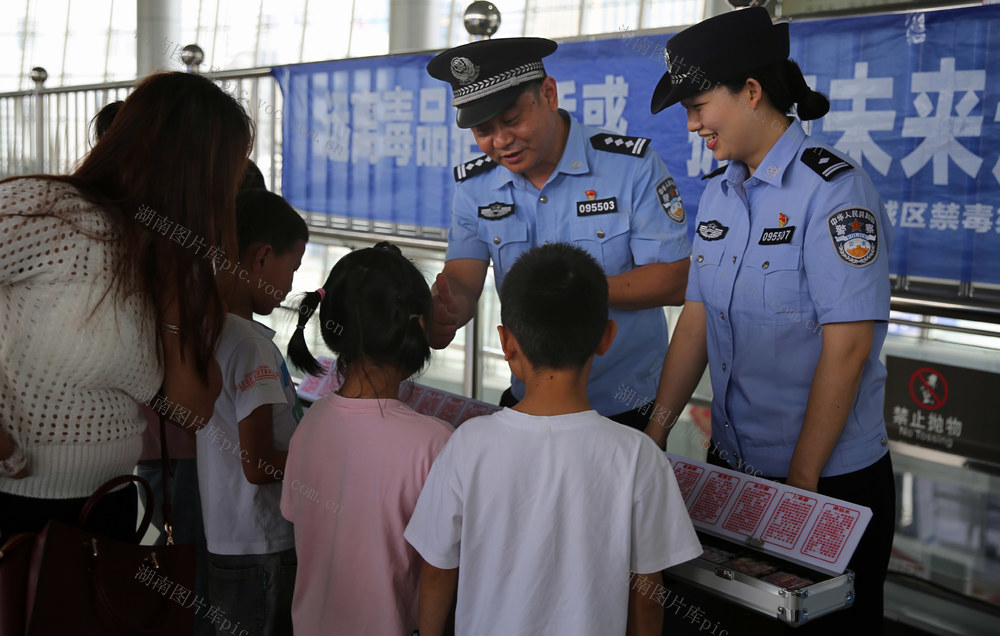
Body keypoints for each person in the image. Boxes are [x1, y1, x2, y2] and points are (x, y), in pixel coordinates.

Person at [645, 7, 895, 633]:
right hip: (735, 464)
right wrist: (653, 437)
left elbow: (848, 348)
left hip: (828, 478)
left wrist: (800, 484)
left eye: (699, 104)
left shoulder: (832, 191)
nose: (693, 123)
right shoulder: (722, 192)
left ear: (750, 92)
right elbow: (696, 320)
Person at [0, 71, 253, 541]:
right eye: (226, 176)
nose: (226, 196)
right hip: (17, 507)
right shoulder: (51, 211)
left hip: (108, 505)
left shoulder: (166, 253)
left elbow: (191, 410)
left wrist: (183, 288)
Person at [404, 243, 701, 636]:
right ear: (607, 337)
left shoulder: (467, 444)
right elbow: (647, 595)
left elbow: (438, 572)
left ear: (507, 344)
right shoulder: (638, 455)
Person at [424, 37, 691, 430]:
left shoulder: (629, 168)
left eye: (513, 120)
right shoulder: (474, 187)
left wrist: (569, 292)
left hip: (624, 407)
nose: (500, 142)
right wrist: (449, 309)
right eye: (483, 130)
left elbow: (674, 279)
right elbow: (463, 278)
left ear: (548, 94)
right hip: (528, 400)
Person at [281, 242, 453, 636]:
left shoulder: (311, 422)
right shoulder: (434, 443)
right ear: (419, 328)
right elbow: (441, 569)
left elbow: (296, 518)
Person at [196, 189, 307, 636]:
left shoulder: (212, 328)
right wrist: (325, 463)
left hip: (229, 537)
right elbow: (258, 464)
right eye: (291, 268)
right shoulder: (252, 346)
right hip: (264, 544)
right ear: (262, 258)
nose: (289, 284)